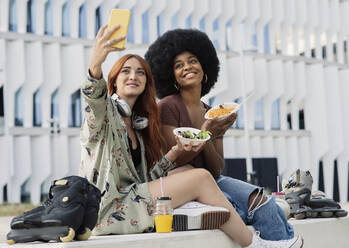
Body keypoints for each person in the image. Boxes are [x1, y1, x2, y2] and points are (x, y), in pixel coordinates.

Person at [79, 24, 303, 248]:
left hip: (133, 198)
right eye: (125, 71)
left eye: (140, 72)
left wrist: (177, 151)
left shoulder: (139, 126)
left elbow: (148, 178)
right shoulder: (104, 118)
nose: (133, 76)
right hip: (109, 209)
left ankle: (196, 207)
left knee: (209, 179)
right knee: (201, 178)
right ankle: (254, 244)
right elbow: (93, 98)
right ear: (114, 81)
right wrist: (96, 63)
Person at [145, 28, 297, 242]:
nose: (187, 66)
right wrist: (207, 133)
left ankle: (284, 244)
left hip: (212, 179)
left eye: (192, 61)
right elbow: (175, 160)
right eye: (179, 65)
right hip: (181, 181)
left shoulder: (214, 111)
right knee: (234, 208)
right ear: (173, 77)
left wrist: (215, 133)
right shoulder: (167, 107)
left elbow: (216, 168)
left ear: (204, 68)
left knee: (264, 202)